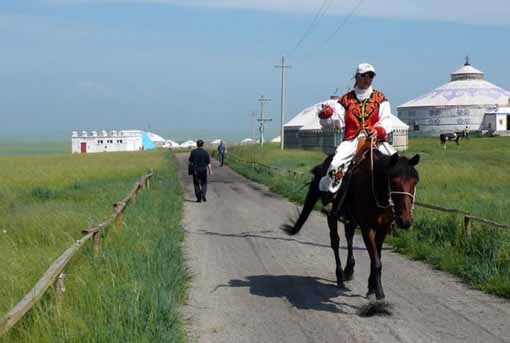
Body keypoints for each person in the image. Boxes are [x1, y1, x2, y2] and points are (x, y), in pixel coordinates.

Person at [317, 63, 396, 213]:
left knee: (397, 165)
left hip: (375, 139)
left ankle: (395, 207)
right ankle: (331, 197)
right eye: (364, 75)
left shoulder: (380, 98)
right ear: (357, 76)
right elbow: (337, 122)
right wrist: (326, 116)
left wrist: (378, 130)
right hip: (352, 140)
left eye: (371, 75)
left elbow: (386, 119)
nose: (367, 79)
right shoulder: (345, 100)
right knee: (336, 164)